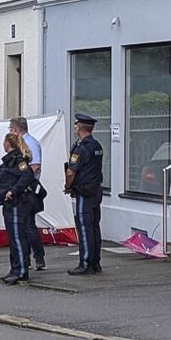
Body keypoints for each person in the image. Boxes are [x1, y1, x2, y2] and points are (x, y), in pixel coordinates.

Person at [0, 133, 36, 285]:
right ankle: (15, 268)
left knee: (18, 237)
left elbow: (27, 175)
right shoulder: (9, 161)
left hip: (18, 203)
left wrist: (13, 191)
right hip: (9, 204)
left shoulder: (18, 160)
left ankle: (22, 270)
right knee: (13, 237)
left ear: (8, 144)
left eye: (4, 142)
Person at [65, 113, 105, 275]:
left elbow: (70, 172)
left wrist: (68, 186)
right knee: (94, 227)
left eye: (76, 126)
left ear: (79, 127)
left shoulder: (81, 148)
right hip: (96, 190)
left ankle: (85, 263)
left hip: (85, 192)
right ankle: (95, 262)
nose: (75, 128)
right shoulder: (97, 146)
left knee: (84, 228)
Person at [10, 117, 46, 270]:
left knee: (29, 225)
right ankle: (28, 259)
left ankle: (38, 258)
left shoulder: (30, 143)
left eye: (11, 129)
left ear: (16, 129)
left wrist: (22, 180)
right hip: (22, 188)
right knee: (25, 225)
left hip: (28, 189)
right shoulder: (22, 143)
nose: (10, 132)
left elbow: (35, 166)